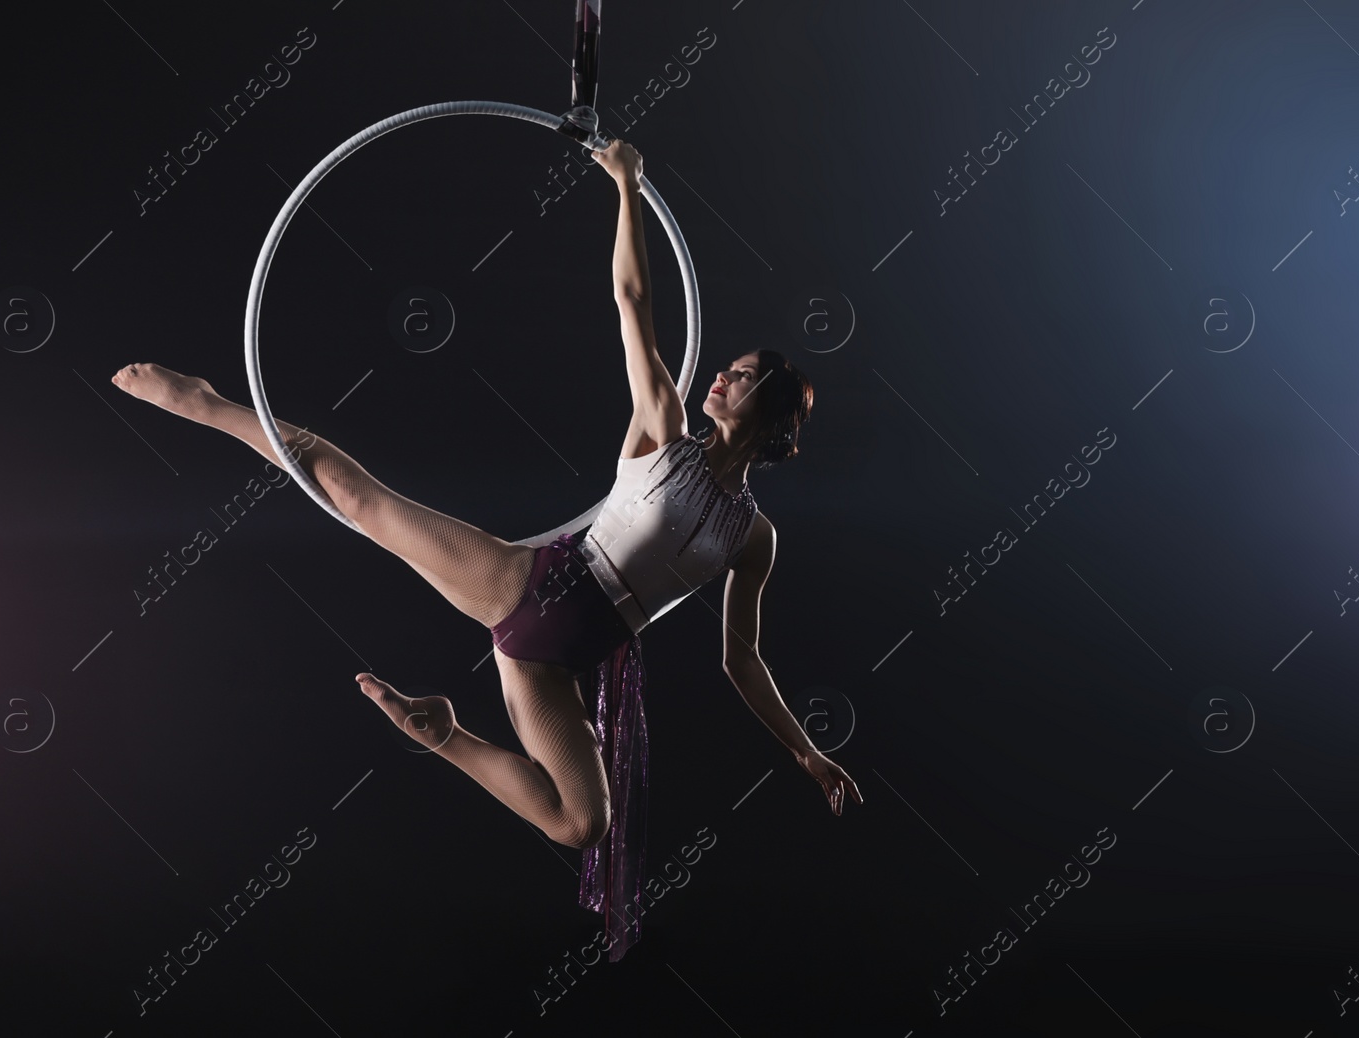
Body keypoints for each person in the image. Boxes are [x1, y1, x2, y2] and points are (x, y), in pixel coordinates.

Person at [109, 138, 861, 959]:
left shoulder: (754, 537)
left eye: (745, 377)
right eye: (728, 366)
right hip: (528, 588)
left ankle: (442, 735)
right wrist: (626, 187)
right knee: (356, 498)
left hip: (556, 664)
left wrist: (808, 753)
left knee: (582, 822)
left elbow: (742, 662)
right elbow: (633, 297)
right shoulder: (666, 426)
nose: (723, 375)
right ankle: (208, 402)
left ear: (778, 420)